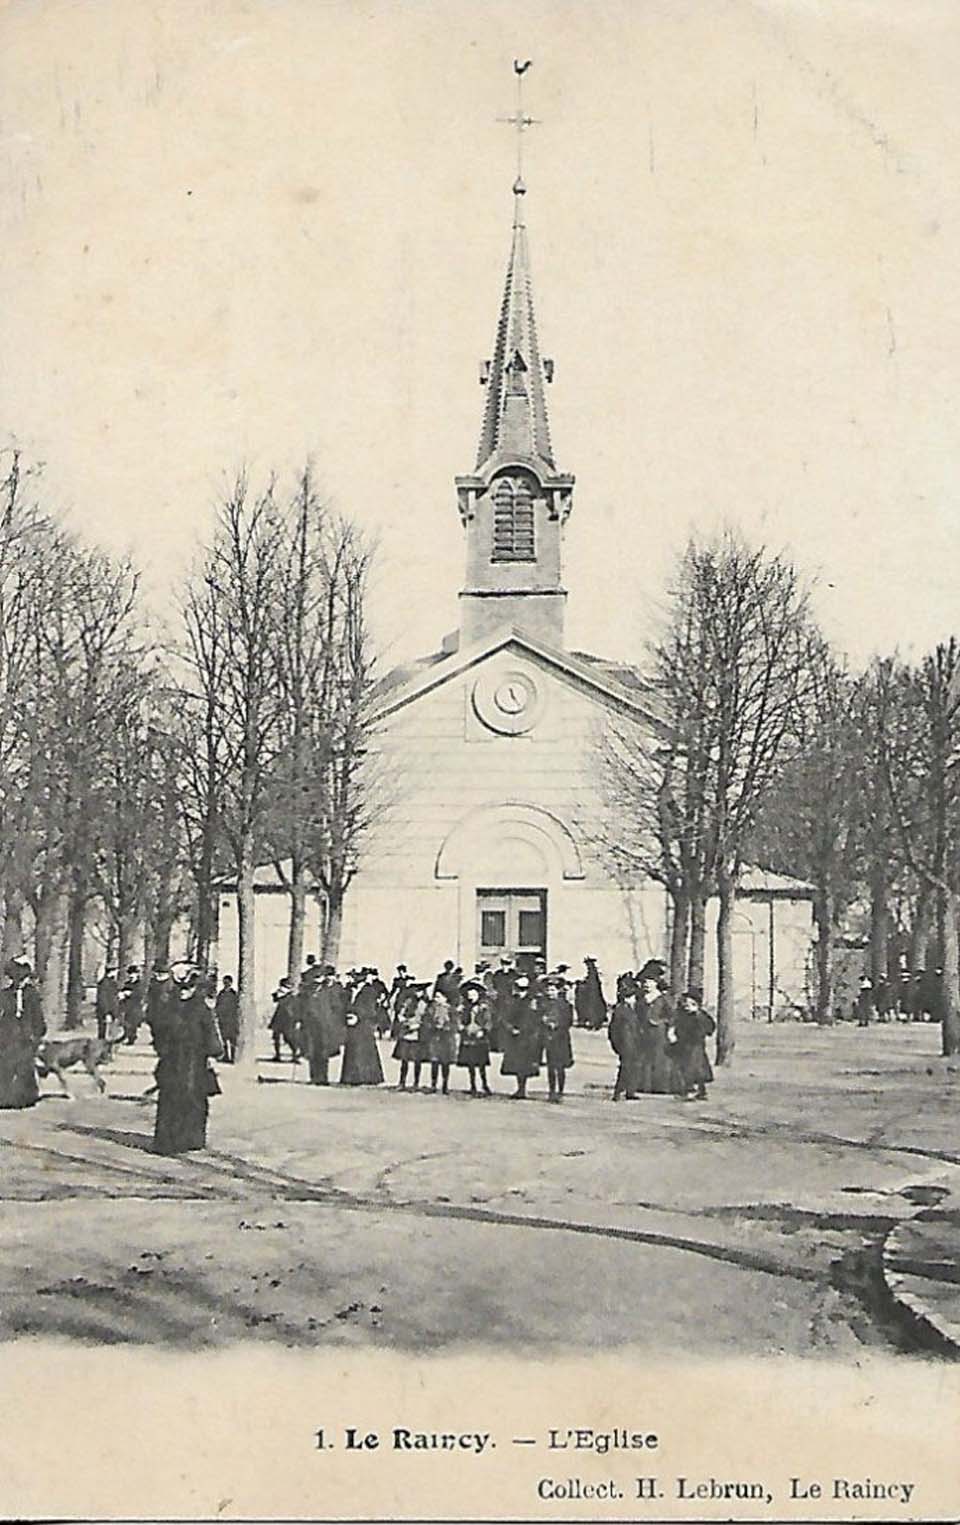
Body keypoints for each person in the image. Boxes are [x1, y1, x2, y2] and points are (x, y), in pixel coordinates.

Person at [153, 967, 224, 1155]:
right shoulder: (171, 1008)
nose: (184, 992)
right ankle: (170, 1141)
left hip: (193, 1060)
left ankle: (190, 1139)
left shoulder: (199, 1009)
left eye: (188, 988)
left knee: (190, 1099)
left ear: (194, 988)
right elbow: (159, 1033)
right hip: (175, 1060)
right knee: (173, 1098)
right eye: (182, 988)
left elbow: (211, 1035)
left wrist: (212, 1052)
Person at [0, 959, 46, 1109]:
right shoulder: (5, 995)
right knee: (6, 1065)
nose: (19, 982)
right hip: (7, 1034)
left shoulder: (32, 994)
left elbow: (37, 1015)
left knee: (25, 1066)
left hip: (25, 1036)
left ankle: (26, 1097)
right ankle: (4, 1097)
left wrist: (38, 1032)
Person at [301, 967, 347, 1085]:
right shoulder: (308, 991)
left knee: (323, 1053)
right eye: (315, 978)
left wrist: (333, 1021)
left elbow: (337, 1007)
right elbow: (303, 1007)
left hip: (324, 1026)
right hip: (311, 1026)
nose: (317, 981)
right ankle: (314, 1077)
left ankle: (323, 1078)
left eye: (319, 978)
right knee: (312, 1052)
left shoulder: (328, 991)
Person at [500, 974, 542, 1099]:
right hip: (514, 1037)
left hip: (527, 1037)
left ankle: (523, 1089)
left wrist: (522, 1030)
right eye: (519, 988)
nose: (520, 991)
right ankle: (520, 1088)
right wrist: (510, 1028)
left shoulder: (532, 1002)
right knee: (517, 1064)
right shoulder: (512, 1001)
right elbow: (505, 1017)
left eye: (523, 988)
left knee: (525, 1064)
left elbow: (533, 1020)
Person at [340, 973, 385, 1086]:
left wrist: (358, 1016)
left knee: (364, 1051)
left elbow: (371, 1010)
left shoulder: (369, 992)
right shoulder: (349, 992)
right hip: (352, 1025)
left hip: (364, 1025)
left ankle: (367, 1077)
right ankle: (351, 1077)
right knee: (352, 1050)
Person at [670, 990, 715, 1101]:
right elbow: (675, 1025)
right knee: (686, 1068)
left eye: (692, 1004)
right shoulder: (681, 1014)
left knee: (695, 1068)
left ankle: (696, 1090)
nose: (687, 1006)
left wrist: (698, 1015)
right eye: (686, 1002)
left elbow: (710, 1027)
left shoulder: (701, 1015)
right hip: (683, 1045)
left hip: (696, 1045)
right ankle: (692, 1090)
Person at [636, 973, 676, 1093]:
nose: (647, 985)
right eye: (645, 982)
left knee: (659, 1058)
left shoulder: (663, 999)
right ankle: (644, 1085)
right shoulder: (641, 999)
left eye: (650, 982)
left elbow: (673, 1016)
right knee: (645, 1057)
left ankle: (661, 1086)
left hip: (659, 1033)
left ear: (656, 983)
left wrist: (661, 1022)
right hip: (644, 1032)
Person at [539, 976, 574, 1102]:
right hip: (548, 1038)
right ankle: (552, 1091)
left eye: (553, 990)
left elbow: (568, 1021)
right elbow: (536, 1019)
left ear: (558, 991)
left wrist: (557, 1025)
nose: (550, 992)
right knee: (550, 1067)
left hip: (561, 1039)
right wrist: (543, 1022)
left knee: (560, 1067)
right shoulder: (542, 1004)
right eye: (548, 990)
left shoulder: (565, 1005)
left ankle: (560, 1091)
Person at [457, 981, 493, 1096]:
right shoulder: (464, 1008)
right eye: (469, 995)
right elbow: (458, 1020)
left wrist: (483, 1030)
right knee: (470, 1064)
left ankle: (484, 1085)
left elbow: (489, 1021)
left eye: (473, 994)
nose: (471, 997)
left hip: (480, 1039)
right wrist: (461, 1027)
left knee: (481, 1064)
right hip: (468, 1038)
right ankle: (472, 1085)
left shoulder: (483, 1008)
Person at [608, 979, 640, 1101]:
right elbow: (613, 1030)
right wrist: (616, 1045)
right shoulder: (620, 1010)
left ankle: (630, 1091)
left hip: (633, 1043)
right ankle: (618, 1091)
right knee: (625, 1068)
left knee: (633, 1067)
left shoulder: (632, 1009)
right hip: (625, 1044)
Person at [393, 983, 429, 1090]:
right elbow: (401, 1013)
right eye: (416, 991)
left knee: (417, 1060)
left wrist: (419, 1025)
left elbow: (426, 1019)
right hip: (406, 1033)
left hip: (418, 1035)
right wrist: (402, 1019)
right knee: (404, 1059)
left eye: (420, 991)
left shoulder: (425, 1004)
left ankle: (416, 1083)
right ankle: (402, 1082)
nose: (417, 993)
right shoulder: (408, 1002)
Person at [424, 990, 459, 1095]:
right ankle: (433, 1085)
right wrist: (433, 1026)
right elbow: (426, 1021)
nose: (436, 999)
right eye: (435, 997)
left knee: (445, 1063)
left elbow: (455, 1024)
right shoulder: (431, 1009)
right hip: (435, 1038)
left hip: (446, 1039)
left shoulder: (451, 1010)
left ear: (445, 998)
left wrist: (446, 1027)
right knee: (434, 1062)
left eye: (439, 997)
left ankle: (445, 1085)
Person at [269, 977, 300, 1062]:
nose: (283, 988)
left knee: (289, 1038)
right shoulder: (280, 994)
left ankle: (294, 1055)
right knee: (276, 1037)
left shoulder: (292, 997)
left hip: (288, 1019)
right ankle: (277, 1055)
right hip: (279, 1018)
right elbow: (275, 999)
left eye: (286, 986)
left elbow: (294, 1009)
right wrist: (278, 995)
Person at [575, 957, 607, 1029]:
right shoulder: (592, 972)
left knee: (593, 1008)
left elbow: (592, 983)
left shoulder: (592, 972)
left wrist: (584, 984)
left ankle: (593, 1022)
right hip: (592, 993)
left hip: (593, 993)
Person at [215, 975, 240, 1064]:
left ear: (231, 983)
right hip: (223, 1019)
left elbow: (237, 1006)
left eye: (227, 982)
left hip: (232, 1020)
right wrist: (217, 1015)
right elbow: (217, 1005)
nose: (226, 984)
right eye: (224, 982)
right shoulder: (221, 994)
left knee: (233, 1039)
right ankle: (226, 1056)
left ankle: (233, 1057)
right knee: (224, 1039)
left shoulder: (234, 994)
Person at [119, 965, 144, 1045]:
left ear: (137, 974)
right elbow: (122, 991)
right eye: (130, 974)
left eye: (133, 973)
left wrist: (130, 994)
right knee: (127, 1022)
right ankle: (127, 1035)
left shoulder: (140, 984)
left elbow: (140, 994)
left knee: (133, 1023)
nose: (131, 975)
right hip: (127, 1005)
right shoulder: (127, 983)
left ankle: (131, 1038)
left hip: (135, 1006)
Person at [95, 966, 119, 1041]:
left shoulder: (112, 983)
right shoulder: (104, 983)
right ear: (111, 972)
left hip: (112, 1011)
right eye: (115, 971)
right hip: (106, 1011)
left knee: (111, 1032)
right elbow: (103, 999)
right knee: (103, 1032)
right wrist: (106, 1013)